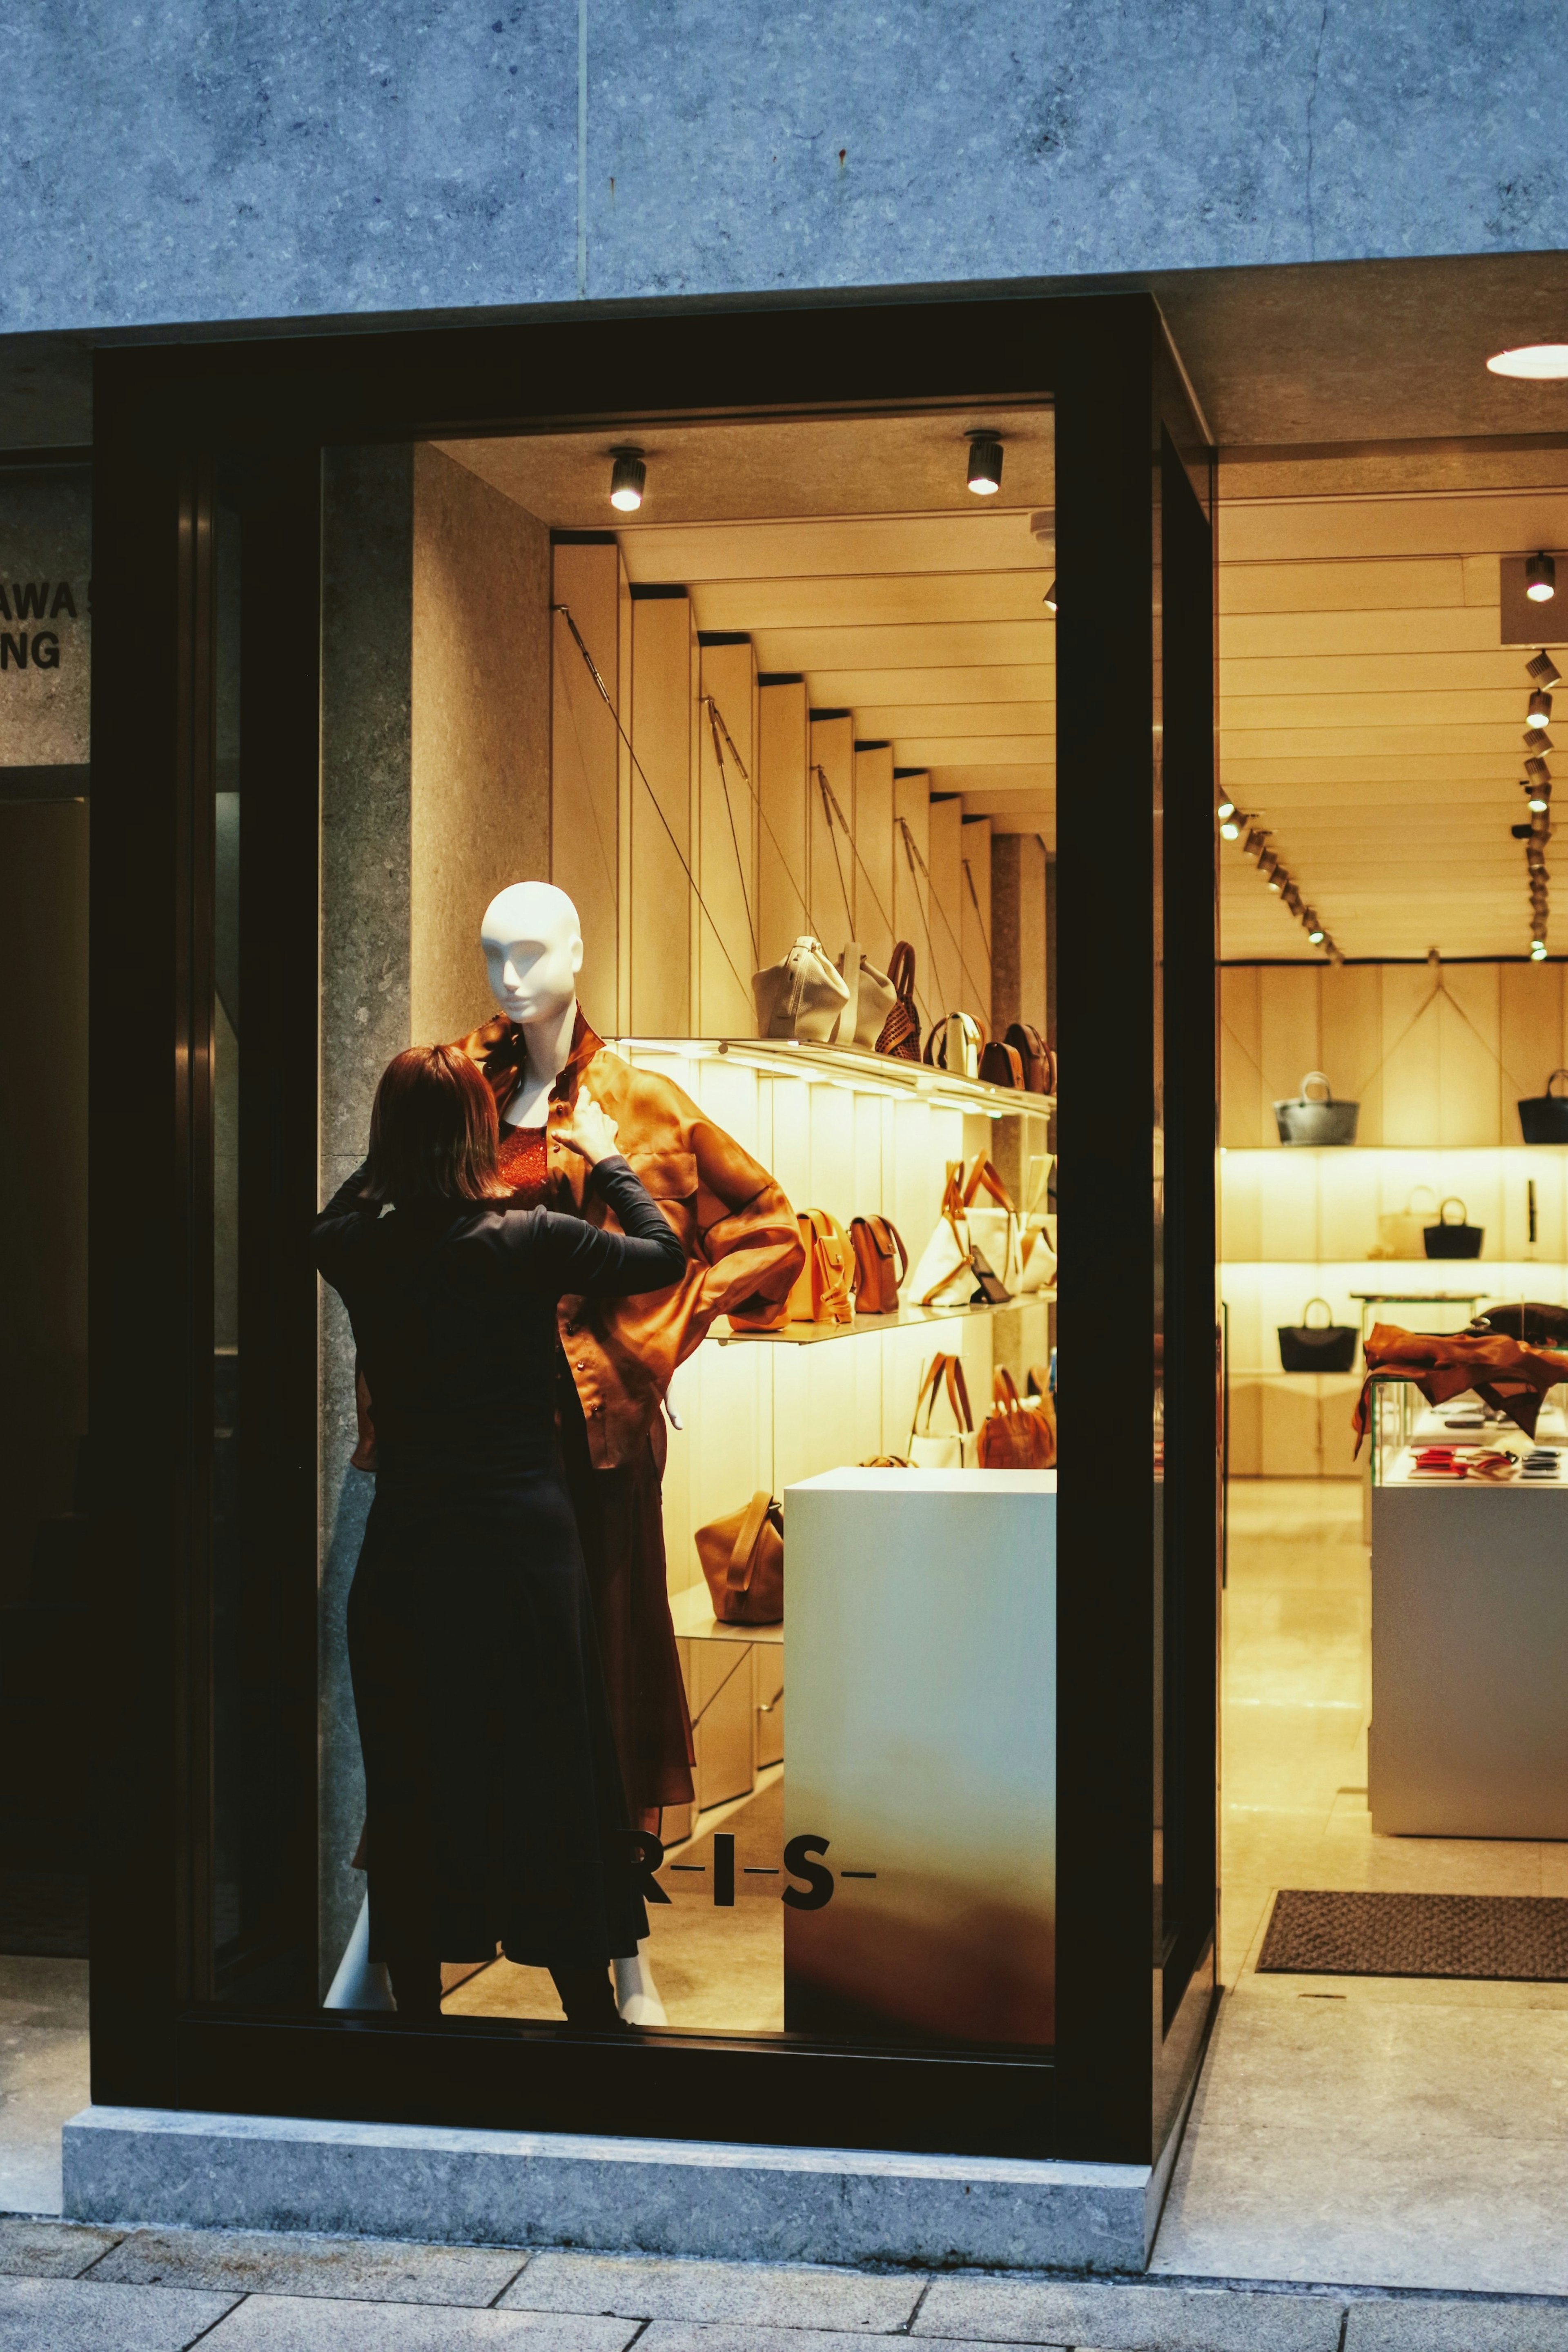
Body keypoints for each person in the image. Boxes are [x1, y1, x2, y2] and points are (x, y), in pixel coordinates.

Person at [314, 1042, 686, 2027]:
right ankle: (589, 2014)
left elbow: (329, 1219)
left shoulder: (360, 1247)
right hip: (523, 1551)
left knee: (416, 1782)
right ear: (484, 1134)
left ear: (388, 1140)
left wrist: (393, 1157)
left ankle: (422, 2020)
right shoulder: (529, 1239)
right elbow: (662, 1253)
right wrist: (607, 1158)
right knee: (552, 1770)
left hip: (409, 1558)